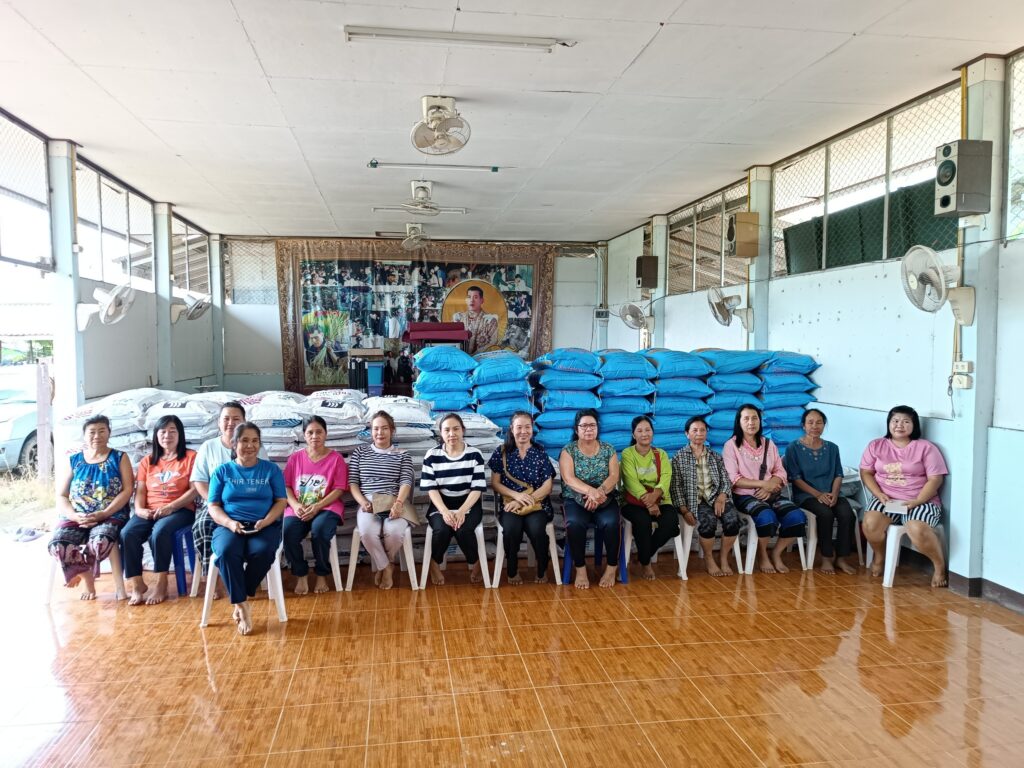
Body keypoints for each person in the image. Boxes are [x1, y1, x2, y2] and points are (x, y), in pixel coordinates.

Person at [207, 422, 287, 635]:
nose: (250, 446)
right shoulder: (222, 471)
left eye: (255, 441)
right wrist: (229, 523)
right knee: (226, 552)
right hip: (230, 525)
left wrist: (267, 521)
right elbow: (213, 506)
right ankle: (242, 605)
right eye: (244, 440)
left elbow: (281, 501)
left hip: (264, 525)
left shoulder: (271, 470)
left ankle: (239, 595)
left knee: (262, 551)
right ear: (234, 444)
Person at [859, 405, 948, 587]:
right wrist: (878, 494)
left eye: (906, 421)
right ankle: (880, 556)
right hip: (886, 498)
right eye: (895, 421)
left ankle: (939, 566)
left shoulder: (926, 448)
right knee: (869, 524)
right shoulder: (876, 445)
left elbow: (935, 479)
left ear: (914, 426)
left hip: (920, 500)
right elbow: (866, 472)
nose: (900, 425)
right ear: (889, 423)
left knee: (916, 528)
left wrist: (918, 500)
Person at [49, 415, 134, 600]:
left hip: (110, 514)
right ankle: (87, 578)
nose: (97, 436)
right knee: (58, 544)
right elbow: (62, 495)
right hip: (77, 515)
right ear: (84, 436)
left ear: (109, 433)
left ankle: (120, 587)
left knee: (101, 541)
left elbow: (128, 490)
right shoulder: (75, 460)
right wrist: (74, 516)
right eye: (92, 432)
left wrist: (104, 513)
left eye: (102, 431)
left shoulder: (119, 457)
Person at [191, 401, 268, 597]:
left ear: (244, 421)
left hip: (248, 505)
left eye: (236, 419)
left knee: (259, 533)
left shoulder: (255, 446)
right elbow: (200, 480)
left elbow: (264, 477)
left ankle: (247, 578)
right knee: (203, 526)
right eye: (226, 419)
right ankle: (215, 578)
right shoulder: (208, 447)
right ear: (218, 422)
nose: (230, 423)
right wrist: (215, 503)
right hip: (215, 504)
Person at [121, 415, 198, 605]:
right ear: (156, 435)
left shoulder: (191, 457)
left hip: (180, 510)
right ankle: (137, 584)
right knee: (127, 533)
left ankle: (161, 581)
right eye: (163, 431)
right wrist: (140, 510)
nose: (167, 435)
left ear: (180, 434)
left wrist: (170, 507)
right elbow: (140, 491)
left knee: (160, 532)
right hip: (149, 510)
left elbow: (195, 490)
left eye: (172, 431)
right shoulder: (147, 461)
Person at [723, 404, 806, 574]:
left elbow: (780, 471)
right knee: (766, 517)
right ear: (739, 422)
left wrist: (770, 486)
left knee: (797, 517)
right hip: (745, 496)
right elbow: (733, 479)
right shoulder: (731, 446)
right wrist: (763, 484)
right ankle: (762, 554)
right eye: (746, 419)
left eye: (755, 418)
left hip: (771, 493)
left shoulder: (768, 444)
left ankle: (776, 552)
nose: (751, 422)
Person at [348, 411, 417, 589]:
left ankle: (384, 563)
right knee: (367, 532)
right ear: (371, 431)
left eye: (385, 428)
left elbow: (406, 482)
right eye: (376, 428)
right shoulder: (360, 452)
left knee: (394, 532)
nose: (380, 432)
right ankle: (386, 566)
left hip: (395, 500)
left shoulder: (403, 454)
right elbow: (353, 483)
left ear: (392, 430)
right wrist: (363, 502)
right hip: (368, 501)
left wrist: (399, 503)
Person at [784, 409, 857, 575]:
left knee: (847, 514)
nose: (814, 426)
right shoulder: (793, 448)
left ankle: (842, 558)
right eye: (810, 422)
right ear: (803, 425)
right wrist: (818, 494)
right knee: (825, 514)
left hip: (832, 493)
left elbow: (838, 474)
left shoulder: (832, 448)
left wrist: (835, 494)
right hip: (807, 495)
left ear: (824, 425)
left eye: (819, 422)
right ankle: (826, 557)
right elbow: (795, 478)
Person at [282, 416, 349, 595]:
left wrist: (318, 506)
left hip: (327, 507)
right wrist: (295, 505)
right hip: (299, 507)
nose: (314, 436)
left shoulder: (336, 459)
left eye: (319, 432)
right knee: (287, 531)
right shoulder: (295, 458)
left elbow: (339, 489)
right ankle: (301, 573)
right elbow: (286, 486)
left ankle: (322, 573)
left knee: (319, 531)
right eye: (310, 432)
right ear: (304, 435)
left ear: (326, 434)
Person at [488, 412, 555, 584]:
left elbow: (547, 486)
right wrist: (516, 496)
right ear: (512, 429)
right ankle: (512, 569)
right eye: (519, 427)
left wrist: (523, 500)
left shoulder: (540, 451)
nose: (523, 431)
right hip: (510, 505)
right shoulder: (501, 452)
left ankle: (542, 568)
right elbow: (495, 483)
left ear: (532, 429)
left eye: (527, 427)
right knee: (511, 530)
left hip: (537, 505)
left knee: (537, 530)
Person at [421, 413, 487, 585]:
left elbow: (477, 489)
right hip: (441, 502)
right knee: (442, 529)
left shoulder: (475, 454)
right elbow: (431, 489)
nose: (452, 434)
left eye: (456, 429)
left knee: (463, 529)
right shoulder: (431, 455)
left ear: (463, 430)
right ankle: (434, 564)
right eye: (447, 430)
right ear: (441, 433)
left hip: (469, 502)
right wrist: (444, 511)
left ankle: (476, 562)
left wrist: (462, 511)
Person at [670, 415, 741, 577]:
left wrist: (722, 496)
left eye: (702, 430)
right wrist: (684, 510)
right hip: (695, 502)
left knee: (733, 520)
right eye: (695, 430)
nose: (699, 433)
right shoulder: (679, 458)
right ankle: (709, 559)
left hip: (716, 498)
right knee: (708, 522)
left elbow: (726, 479)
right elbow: (676, 488)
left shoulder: (715, 456)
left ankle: (723, 558)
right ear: (687, 434)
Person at [559, 409, 621, 589]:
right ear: (576, 429)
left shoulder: (608, 449)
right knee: (574, 524)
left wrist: (599, 492)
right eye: (584, 426)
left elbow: (614, 476)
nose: (588, 429)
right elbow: (569, 479)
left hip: (604, 497)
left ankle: (612, 568)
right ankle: (580, 569)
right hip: (575, 498)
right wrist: (590, 492)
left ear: (598, 428)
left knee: (612, 523)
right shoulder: (568, 450)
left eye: (592, 425)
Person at [619, 416, 678, 580]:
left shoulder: (661, 454)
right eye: (639, 431)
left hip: (660, 499)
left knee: (671, 522)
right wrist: (649, 503)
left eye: (648, 430)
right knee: (642, 522)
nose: (644, 434)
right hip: (634, 502)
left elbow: (666, 476)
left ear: (652, 432)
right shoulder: (628, 454)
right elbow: (630, 481)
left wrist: (655, 497)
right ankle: (646, 564)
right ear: (633, 434)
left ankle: (643, 556)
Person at [453, 285, 498, 355]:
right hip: (461, 357)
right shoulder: (458, 318)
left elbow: (492, 344)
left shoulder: (490, 320)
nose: (471, 300)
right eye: (469, 297)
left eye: (475, 297)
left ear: (482, 300)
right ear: (466, 300)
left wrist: (473, 356)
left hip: (482, 358)